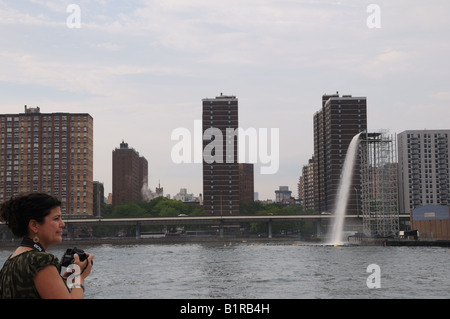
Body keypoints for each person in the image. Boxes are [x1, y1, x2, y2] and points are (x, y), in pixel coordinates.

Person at [0, 193, 94, 299]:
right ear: (34, 225)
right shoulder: (40, 261)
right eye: (56, 218)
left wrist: (64, 278)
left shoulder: (11, 261)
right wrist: (79, 277)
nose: (62, 224)